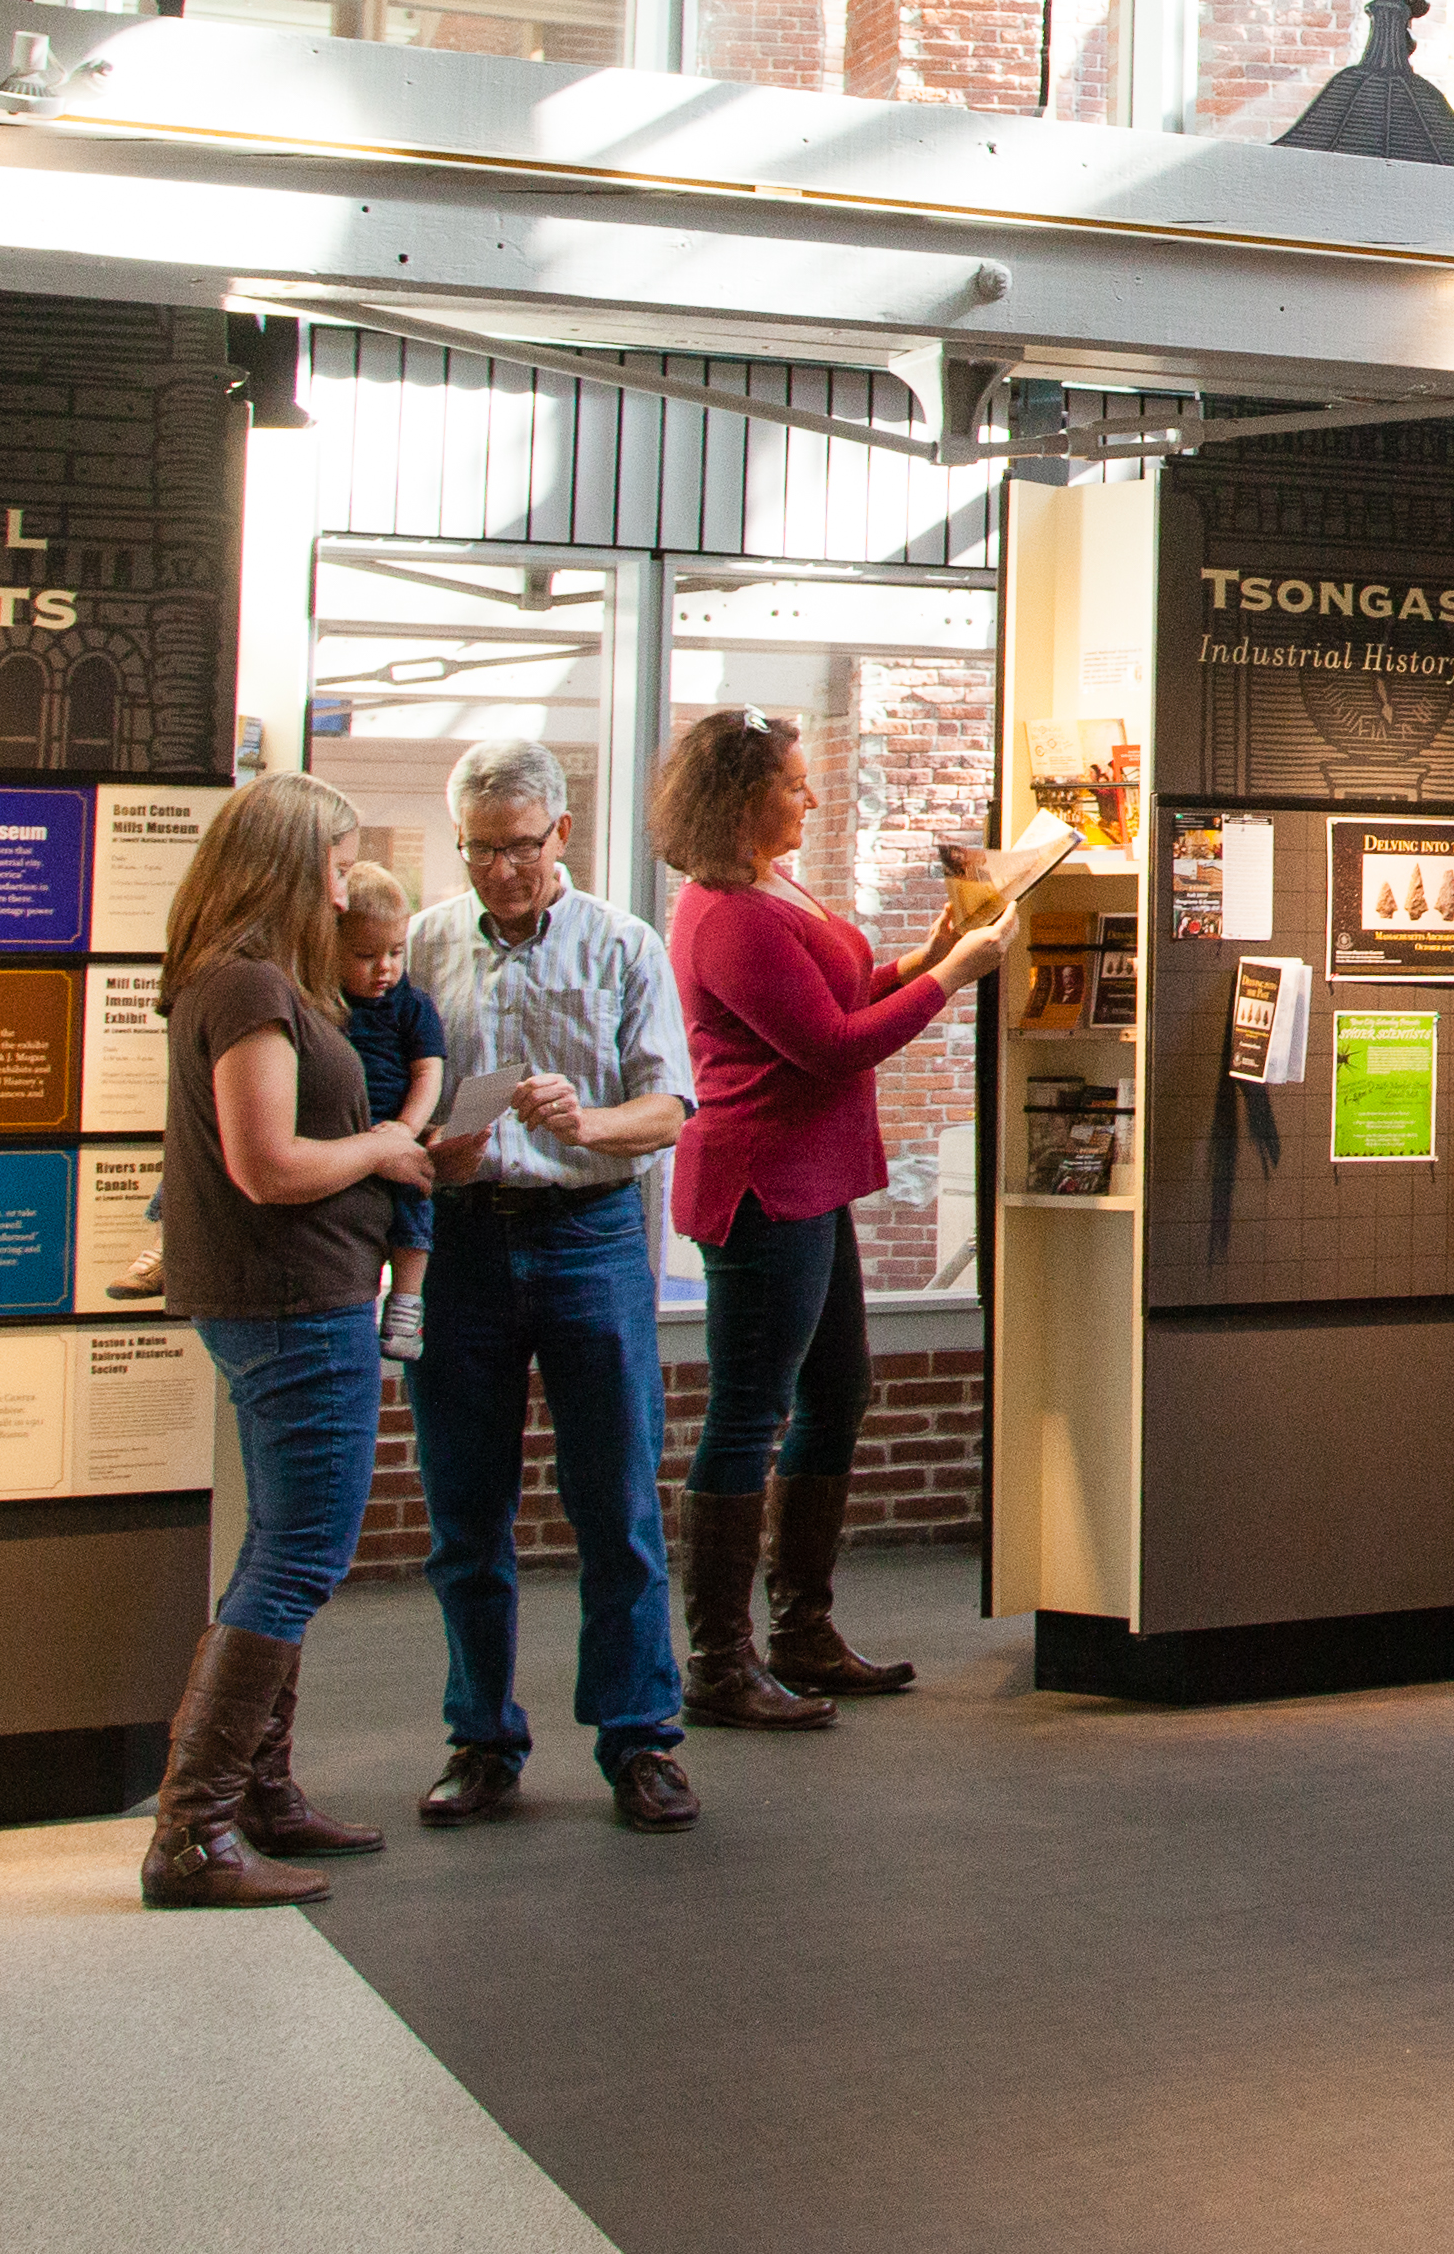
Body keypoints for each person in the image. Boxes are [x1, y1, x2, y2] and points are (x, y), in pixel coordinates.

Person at [654, 709, 1036, 1722]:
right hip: (762, 1185)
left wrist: (920, 958)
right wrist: (953, 978)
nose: (811, 796)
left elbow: (832, 996)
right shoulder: (728, 915)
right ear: (743, 798)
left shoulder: (768, 886)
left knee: (836, 1392)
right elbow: (828, 1045)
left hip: (807, 1180)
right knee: (749, 1412)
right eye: (793, 782)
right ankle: (720, 1664)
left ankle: (801, 1632)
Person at [139, 772, 435, 1909]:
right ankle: (193, 1834)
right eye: (334, 866)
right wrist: (386, 1150)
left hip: (290, 1295)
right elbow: (268, 1166)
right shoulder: (250, 985)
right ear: (285, 867)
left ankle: (258, 1794)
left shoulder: (239, 979)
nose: (343, 891)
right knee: (301, 1552)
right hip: (290, 1300)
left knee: (281, 1542)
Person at [404, 735, 704, 1832]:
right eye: (479, 850)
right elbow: (397, 1099)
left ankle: (640, 1740)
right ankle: (482, 1740)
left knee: (617, 1501)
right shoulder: (424, 944)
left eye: (520, 848)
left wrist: (590, 1121)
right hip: (462, 1242)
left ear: (561, 833)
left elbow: (667, 1110)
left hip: (590, 1234)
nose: (500, 871)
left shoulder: (624, 944)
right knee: (464, 1510)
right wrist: (432, 1148)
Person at [336, 861, 447, 1367]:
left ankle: (405, 1302)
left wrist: (406, 1128)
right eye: (366, 955)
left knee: (415, 1198)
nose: (385, 967)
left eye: (396, 952)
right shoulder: (323, 1001)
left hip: (392, 1125)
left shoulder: (412, 1006)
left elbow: (428, 1072)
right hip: (338, 1133)